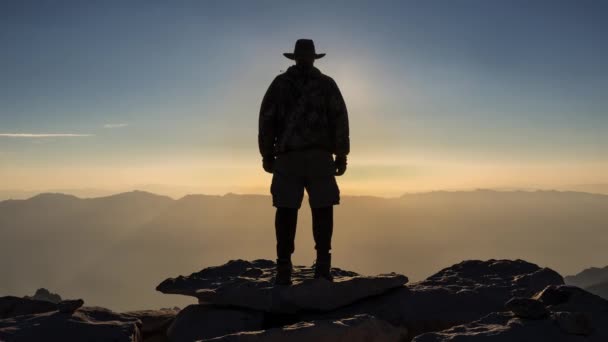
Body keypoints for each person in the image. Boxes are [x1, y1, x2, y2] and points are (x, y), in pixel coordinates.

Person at [258, 39, 350, 285]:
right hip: (320, 157)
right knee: (322, 209)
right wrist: (341, 154)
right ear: (312, 57)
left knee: (286, 210)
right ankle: (322, 266)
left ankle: (284, 267)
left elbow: (267, 120)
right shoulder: (326, 85)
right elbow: (339, 119)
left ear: (295, 58)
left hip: (288, 158)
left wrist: (267, 154)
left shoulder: (280, 85)